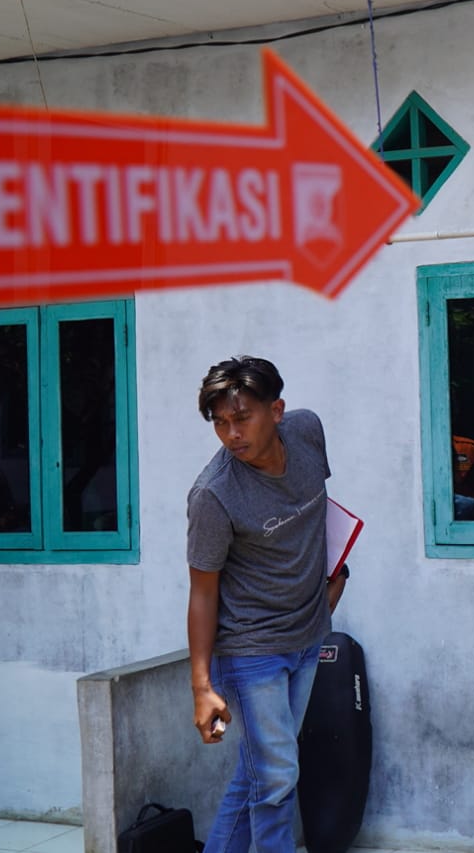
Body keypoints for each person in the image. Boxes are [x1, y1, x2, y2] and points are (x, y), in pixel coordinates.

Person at [186, 356, 348, 853]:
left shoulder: (307, 433)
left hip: (308, 633)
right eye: (220, 423)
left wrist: (330, 579)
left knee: (260, 771)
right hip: (252, 648)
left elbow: (312, 512)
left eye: (241, 418)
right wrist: (202, 687)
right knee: (277, 777)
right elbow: (202, 591)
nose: (231, 434)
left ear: (276, 411)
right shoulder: (214, 495)